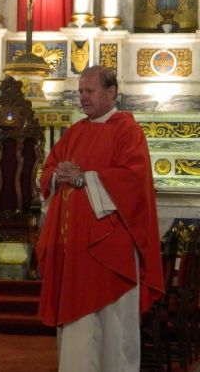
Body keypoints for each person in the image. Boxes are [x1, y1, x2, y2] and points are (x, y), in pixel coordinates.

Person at [36, 66, 164, 371]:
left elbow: (133, 181)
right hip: (76, 248)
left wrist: (84, 179)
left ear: (111, 92)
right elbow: (49, 169)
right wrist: (57, 176)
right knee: (79, 330)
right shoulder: (76, 132)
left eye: (89, 91)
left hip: (111, 250)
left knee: (112, 328)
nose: (83, 97)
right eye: (80, 91)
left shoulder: (127, 130)